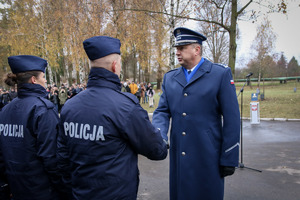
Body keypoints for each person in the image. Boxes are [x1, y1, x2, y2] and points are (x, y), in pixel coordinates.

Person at [57, 36, 168, 200]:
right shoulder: (125, 106)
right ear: (115, 66)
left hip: (79, 193)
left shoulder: (70, 106)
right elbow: (157, 150)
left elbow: (62, 158)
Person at [152, 27, 241, 200]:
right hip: (180, 155)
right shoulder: (170, 78)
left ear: (197, 49)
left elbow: (232, 118)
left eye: (182, 48)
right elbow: (162, 111)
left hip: (208, 155)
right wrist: (160, 135)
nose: (177, 52)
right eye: (176, 48)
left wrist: (229, 157)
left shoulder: (219, 74)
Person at [0, 55, 66, 200]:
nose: (46, 80)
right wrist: (64, 189)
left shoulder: (5, 110)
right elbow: (51, 158)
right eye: (43, 76)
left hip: (17, 189)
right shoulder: (42, 109)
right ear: (34, 80)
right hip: (42, 190)